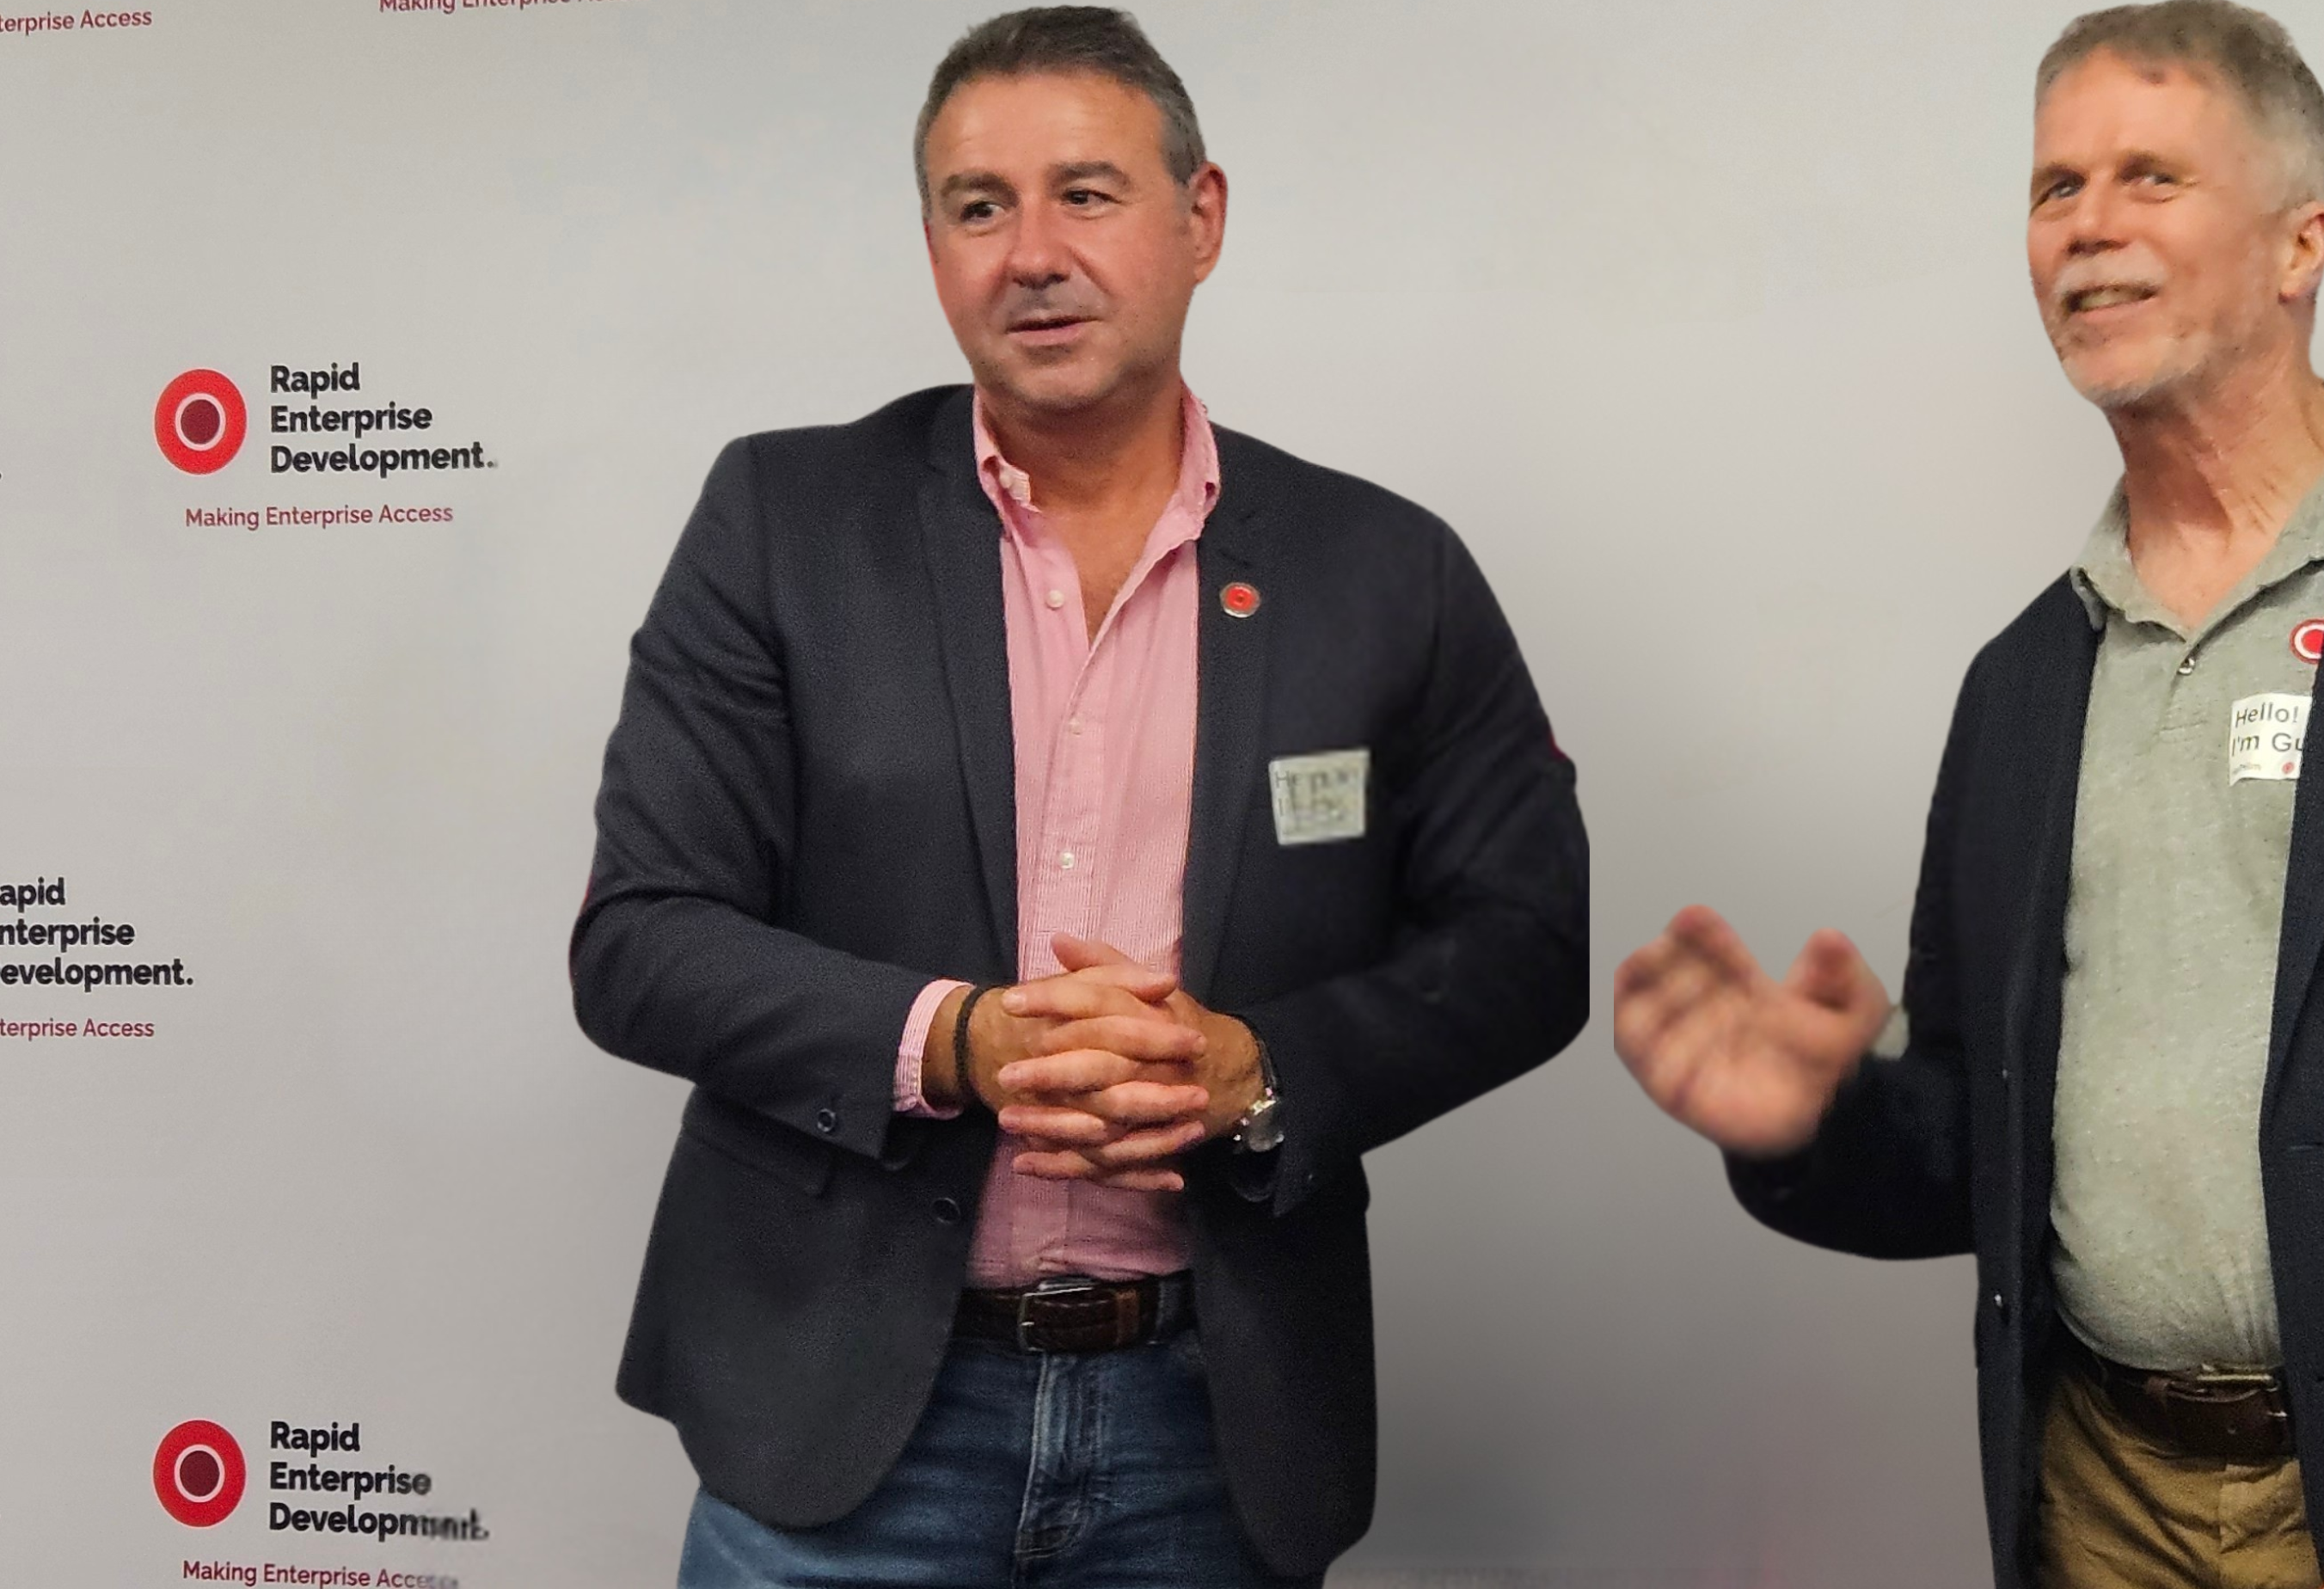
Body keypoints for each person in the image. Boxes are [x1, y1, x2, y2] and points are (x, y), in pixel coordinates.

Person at [1612, 4, 2324, 1586]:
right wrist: (1814, 1123)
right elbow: (1978, 1138)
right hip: (2099, 1501)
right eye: (2053, 187)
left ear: (2302, 241)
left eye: (2149, 176)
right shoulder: (2025, 682)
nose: (2087, 227)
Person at [570, 9, 1588, 1584]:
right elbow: (639, 939)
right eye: (979, 206)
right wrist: (955, 1042)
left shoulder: (1388, 570)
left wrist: (1260, 1071)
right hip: (843, 1431)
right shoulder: (782, 520)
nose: (1031, 252)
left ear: (1203, 220)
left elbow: (1525, 945)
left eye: (1088, 194)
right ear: (932, 248)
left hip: (1214, 1422)